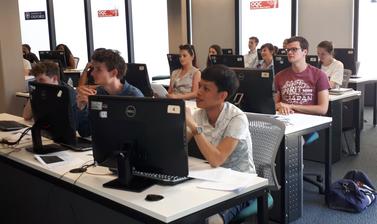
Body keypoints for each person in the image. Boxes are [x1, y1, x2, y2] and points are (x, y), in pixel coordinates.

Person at [185, 64, 255, 224]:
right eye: (200, 86)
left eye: (206, 89)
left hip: (240, 182)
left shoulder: (237, 118)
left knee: (213, 220)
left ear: (222, 96)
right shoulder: (199, 114)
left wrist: (194, 128)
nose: (198, 92)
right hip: (211, 178)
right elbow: (176, 147)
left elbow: (216, 160)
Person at [76, 48, 143, 137]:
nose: (92, 73)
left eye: (98, 69)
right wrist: (81, 108)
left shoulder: (134, 97)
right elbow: (84, 131)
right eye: (93, 69)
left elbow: (139, 134)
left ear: (113, 73)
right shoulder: (97, 94)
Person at [275, 36, 330, 116]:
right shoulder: (279, 76)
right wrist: (279, 107)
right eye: (288, 50)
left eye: (294, 49)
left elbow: (323, 109)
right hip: (286, 118)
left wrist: (291, 106)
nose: (290, 52)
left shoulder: (319, 75)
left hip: (309, 122)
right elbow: (274, 104)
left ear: (304, 52)